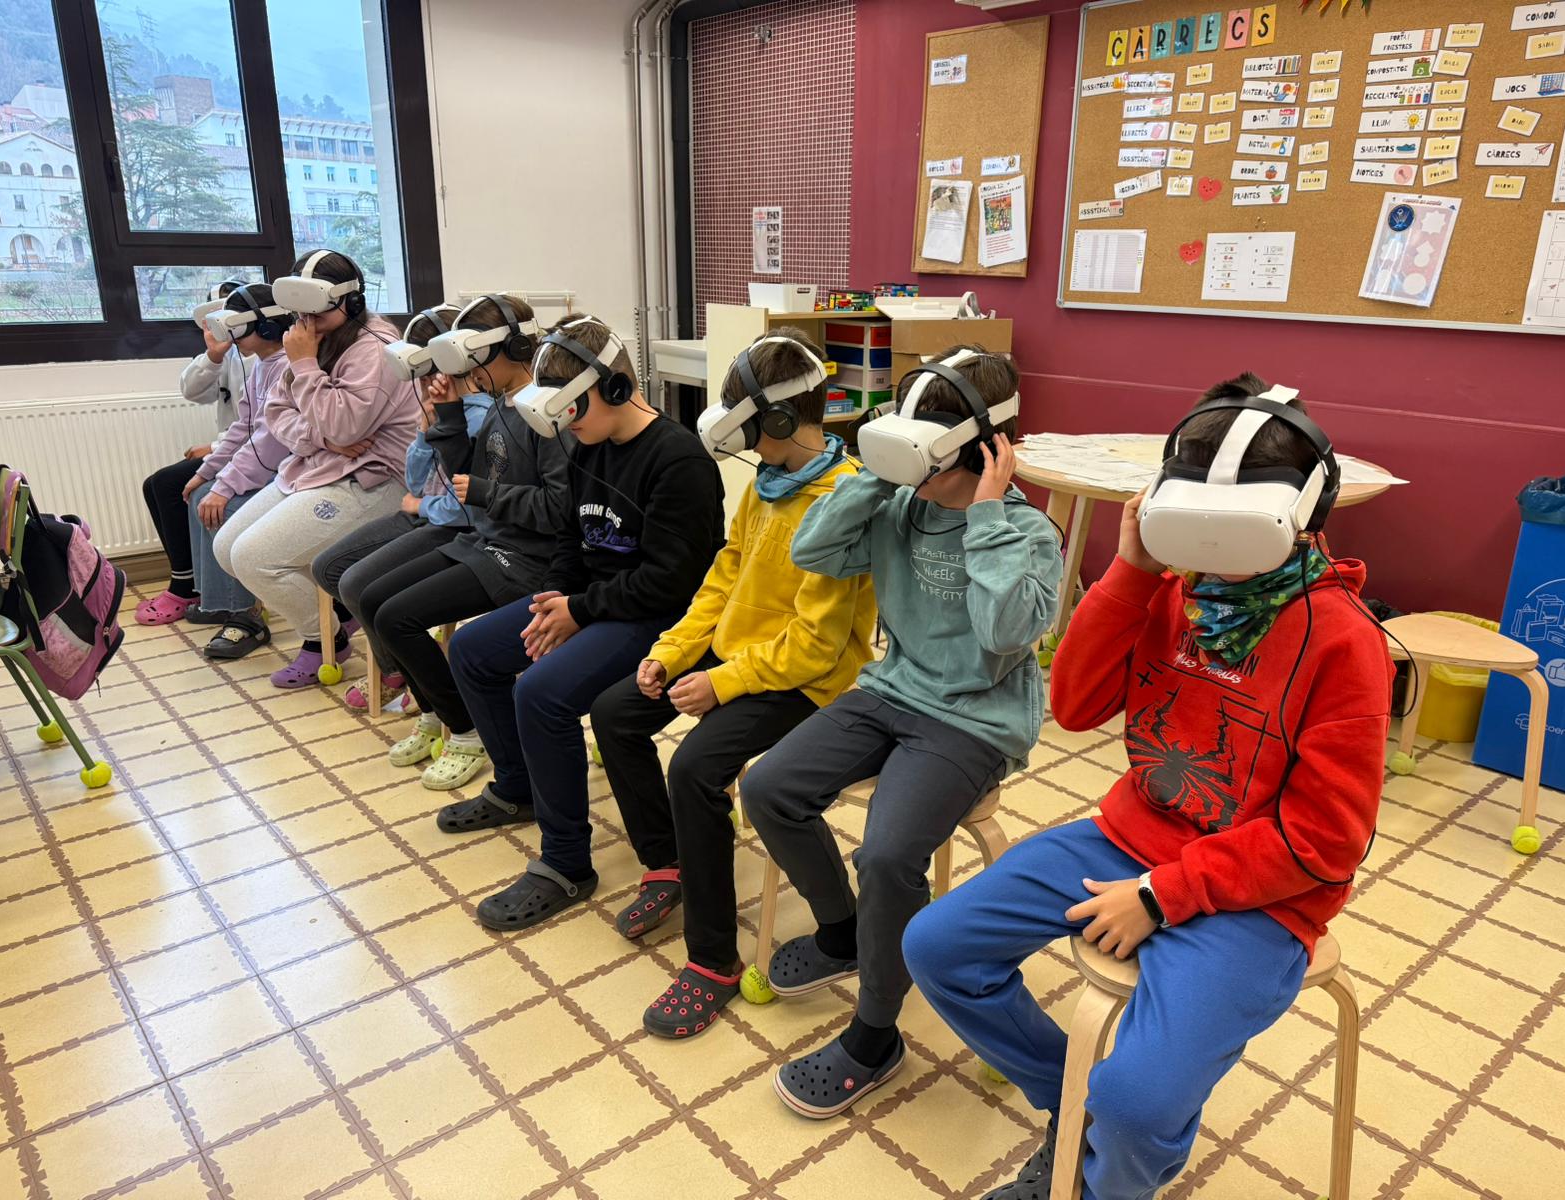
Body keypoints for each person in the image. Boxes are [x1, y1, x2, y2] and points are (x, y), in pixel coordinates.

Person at [903, 374, 1392, 1200]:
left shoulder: (1343, 641)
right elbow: (1074, 705)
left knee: (1139, 1104)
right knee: (938, 946)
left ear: (1303, 514)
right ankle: (1075, 1108)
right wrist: (1129, 574)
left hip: (1258, 896)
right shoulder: (1173, 594)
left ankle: (1105, 1168)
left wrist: (1163, 896)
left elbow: (1326, 841)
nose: (1210, 553)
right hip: (1128, 838)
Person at [739, 346, 1062, 1118]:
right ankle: (844, 931)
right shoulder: (898, 504)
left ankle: (876, 1032)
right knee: (770, 785)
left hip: (972, 719)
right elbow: (813, 550)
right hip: (891, 689)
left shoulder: (1026, 534)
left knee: (886, 855)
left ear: (983, 450)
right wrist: (878, 477)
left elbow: (1003, 632)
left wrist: (985, 515)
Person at [587, 328, 877, 1039]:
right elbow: (724, 578)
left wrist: (722, 684)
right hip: (741, 659)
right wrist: (672, 652)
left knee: (694, 769)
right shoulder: (768, 484)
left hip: (806, 682)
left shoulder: (842, 502)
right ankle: (670, 864)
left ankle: (712, 960)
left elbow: (815, 646)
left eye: (751, 427)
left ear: (778, 420)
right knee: (617, 711)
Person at [441, 312, 724, 933]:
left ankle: (565, 861)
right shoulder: (587, 446)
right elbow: (572, 540)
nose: (566, 424)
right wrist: (556, 600)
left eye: (574, 409)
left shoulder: (679, 460)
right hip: (595, 602)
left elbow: (670, 582)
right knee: (473, 650)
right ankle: (518, 786)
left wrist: (578, 611)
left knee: (541, 693)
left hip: (659, 615)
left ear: (615, 388)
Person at [350, 294, 573, 792]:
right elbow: (467, 478)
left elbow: (559, 509)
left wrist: (490, 493)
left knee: (398, 617)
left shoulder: (544, 413)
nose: (469, 373)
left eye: (475, 361)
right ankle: (435, 713)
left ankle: (466, 732)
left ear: (513, 348)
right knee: (372, 600)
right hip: (488, 542)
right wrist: (449, 415)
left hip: (526, 560)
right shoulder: (501, 404)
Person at [212, 250, 411, 688]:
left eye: (317, 311)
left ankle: (325, 639)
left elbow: (343, 424)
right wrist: (323, 438)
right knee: (227, 547)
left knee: (255, 558)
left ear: (351, 303)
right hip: (317, 464)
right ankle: (336, 614)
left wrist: (303, 365)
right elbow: (278, 414)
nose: (306, 321)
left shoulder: (374, 347)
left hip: (370, 477)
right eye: (300, 311)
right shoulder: (308, 337)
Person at [307, 303, 483, 712]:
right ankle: (403, 665)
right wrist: (424, 431)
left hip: (449, 524)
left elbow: (468, 505)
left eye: (426, 372)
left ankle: (405, 673)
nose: (422, 383)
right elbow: (416, 480)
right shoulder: (438, 408)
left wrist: (423, 505)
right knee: (328, 568)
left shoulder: (479, 418)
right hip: (423, 513)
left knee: (359, 586)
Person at [178, 283, 293, 659]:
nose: (232, 338)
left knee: (223, 506)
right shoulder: (262, 366)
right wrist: (206, 473)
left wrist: (224, 486)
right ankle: (222, 602)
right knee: (198, 493)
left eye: (238, 327)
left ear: (267, 326)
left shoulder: (287, 367)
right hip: (271, 466)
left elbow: (268, 442)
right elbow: (242, 428)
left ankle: (247, 616)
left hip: (291, 471)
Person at [136, 278, 251, 625]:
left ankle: (185, 586)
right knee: (154, 484)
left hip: (249, 451)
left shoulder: (259, 354)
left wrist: (214, 447)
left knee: (170, 485)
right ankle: (188, 579)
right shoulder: (229, 353)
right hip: (233, 446)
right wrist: (213, 355)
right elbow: (192, 390)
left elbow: (265, 423)